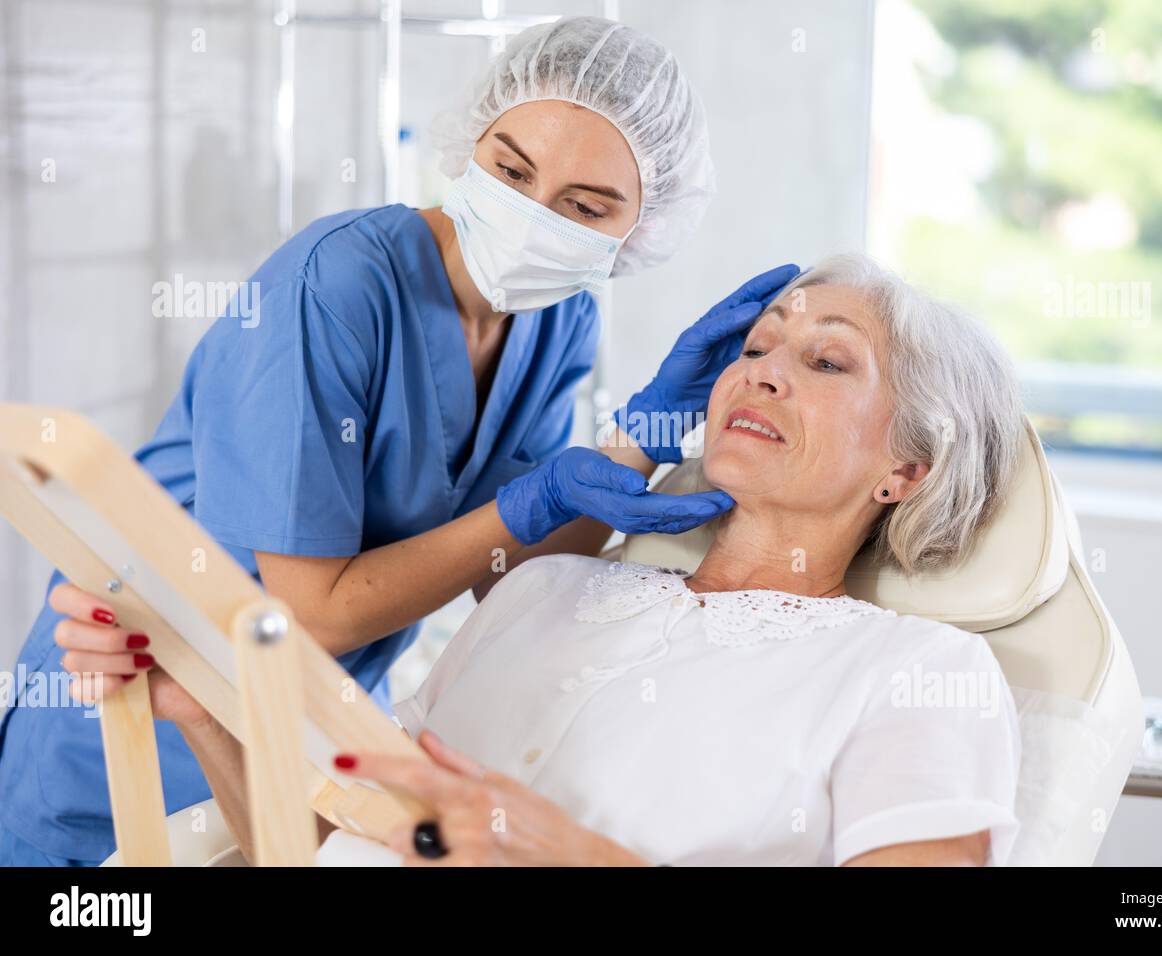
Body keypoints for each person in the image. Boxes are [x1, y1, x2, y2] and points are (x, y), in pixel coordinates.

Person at [0, 15, 796, 866]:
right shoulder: (335, 285)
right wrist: (537, 497)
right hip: (137, 707)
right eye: (511, 169)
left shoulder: (560, 317)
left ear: (642, 228)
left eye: (585, 206)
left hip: (307, 736)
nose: (533, 216)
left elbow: (515, 579)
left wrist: (637, 439)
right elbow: (308, 614)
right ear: (472, 142)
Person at [63, 253, 1027, 867]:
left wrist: (564, 854)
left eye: (827, 361)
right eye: (759, 344)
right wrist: (202, 707)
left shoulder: (918, 674)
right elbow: (321, 840)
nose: (761, 368)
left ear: (908, 467)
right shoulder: (547, 588)